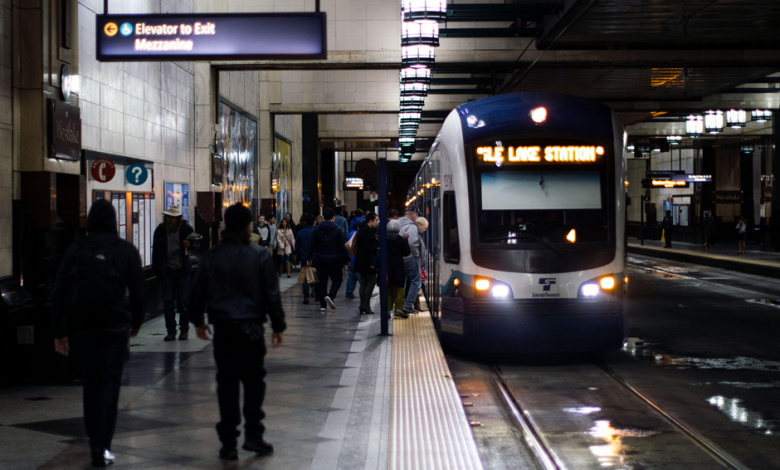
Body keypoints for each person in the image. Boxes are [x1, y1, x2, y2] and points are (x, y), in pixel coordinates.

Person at [51, 199, 147, 467]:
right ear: (114, 220)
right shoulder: (125, 250)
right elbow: (139, 291)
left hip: (82, 326)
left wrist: (59, 331)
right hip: (115, 325)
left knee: (91, 382)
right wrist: (136, 322)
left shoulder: (75, 249)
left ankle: (94, 437)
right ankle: (101, 446)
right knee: (109, 385)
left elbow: (58, 293)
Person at [189, 203, 285, 461]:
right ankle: (253, 434)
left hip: (224, 329)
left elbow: (197, 292)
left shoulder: (212, 256)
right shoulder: (259, 255)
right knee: (254, 382)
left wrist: (198, 321)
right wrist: (278, 326)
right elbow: (272, 293)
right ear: (246, 226)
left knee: (227, 383)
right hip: (252, 329)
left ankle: (229, 442)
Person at [153, 205, 197, 341]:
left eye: (172, 217)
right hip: (167, 271)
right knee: (168, 302)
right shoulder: (160, 230)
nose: (170, 220)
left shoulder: (186, 228)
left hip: (183, 270)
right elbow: (156, 251)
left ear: (178, 218)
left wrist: (190, 245)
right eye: (168, 217)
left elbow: (196, 246)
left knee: (183, 302)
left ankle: (184, 329)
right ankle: (171, 331)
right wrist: (157, 270)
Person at [306, 208, 350, 312]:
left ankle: (323, 306)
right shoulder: (338, 229)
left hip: (320, 258)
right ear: (333, 217)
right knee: (337, 279)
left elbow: (312, 244)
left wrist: (309, 257)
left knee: (322, 282)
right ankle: (331, 295)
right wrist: (347, 260)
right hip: (335, 258)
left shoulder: (317, 229)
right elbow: (343, 246)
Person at [379, 219, 411, 319]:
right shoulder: (401, 239)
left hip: (385, 267)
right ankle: (399, 309)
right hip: (398, 268)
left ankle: (387, 311)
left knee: (387, 289)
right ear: (398, 228)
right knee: (399, 289)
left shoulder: (382, 239)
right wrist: (406, 240)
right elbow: (406, 252)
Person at [398, 207, 422, 314]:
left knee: (402, 282)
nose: (417, 217)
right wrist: (416, 254)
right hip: (410, 257)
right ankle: (407, 305)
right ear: (413, 214)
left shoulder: (398, 223)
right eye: (417, 215)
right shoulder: (412, 226)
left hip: (400, 258)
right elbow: (412, 243)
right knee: (416, 281)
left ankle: (400, 305)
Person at [354, 213, 379, 314]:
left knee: (364, 282)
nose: (377, 222)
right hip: (366, 260)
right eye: (376, 220)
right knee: (372, 280)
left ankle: (362, 305)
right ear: (371, 220)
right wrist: (371, 263)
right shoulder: (367, 231)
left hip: (361, 260)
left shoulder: (364, 229)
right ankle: (366, 305)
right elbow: (367, 248)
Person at [296, 214, 316, 304]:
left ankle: (306, 296)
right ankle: (317, 293)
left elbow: (297, 246)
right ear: (314, 222)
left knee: (305, 277)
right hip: (315, 256)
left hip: (304, 256)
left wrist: (299, 255)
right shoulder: (316, 231)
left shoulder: (300, 233)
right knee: (316, 275)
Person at [412, 217, 429, 312]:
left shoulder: (417, 234)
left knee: (417, 283)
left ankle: (415, 305)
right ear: (419, 225)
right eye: (424, 228)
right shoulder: (415, 235)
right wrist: (417, 256)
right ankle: (412, 305)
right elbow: (413, 246)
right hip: (416, 262)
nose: (424, 230)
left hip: (418, 262)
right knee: (416, 283)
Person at [344, 221, 361, 300]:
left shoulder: (351, 233)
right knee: (361, 278)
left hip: (350, 259)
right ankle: (366, 292)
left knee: (351, 277)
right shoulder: (357, 234)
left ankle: (349, 292)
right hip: (356, 259)